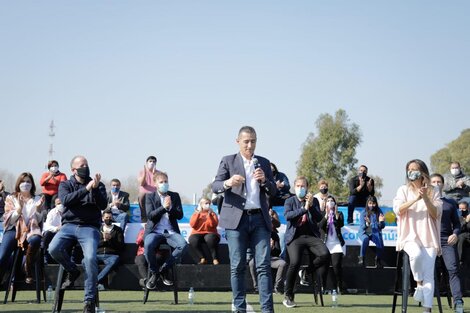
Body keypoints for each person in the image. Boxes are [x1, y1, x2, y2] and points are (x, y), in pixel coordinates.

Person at [212, 126, 277, 313]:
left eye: (253, 141)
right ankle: (239, 308)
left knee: (263, 266)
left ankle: (267, 310)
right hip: (236, 221)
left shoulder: (263, 162)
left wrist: (265, 180)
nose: (250, 145)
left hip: (259, 219)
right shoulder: (228, 161)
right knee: (237, 265)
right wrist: (228, 183)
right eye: (246, 141)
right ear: (238, 142)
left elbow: (273, 191)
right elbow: (215, 185)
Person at [48, 155, 107, 313]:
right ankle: (72, 269)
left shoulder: (97, 185)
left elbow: (103, 204)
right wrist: (86, 189)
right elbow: (66, 200)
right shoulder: (65, 184)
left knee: (89, 258)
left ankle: (88, 301)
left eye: (87, 164)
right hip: (69, 226)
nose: (85, 167)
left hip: (89, 228)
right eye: (82, 165)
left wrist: (94, 189)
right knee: (53, 248)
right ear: (73, 169)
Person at [393, 159, 442, 313]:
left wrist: (426, 198)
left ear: (422, 172)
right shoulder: (403, 190)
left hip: (429, 237)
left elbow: (436, 214)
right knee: (416, 255)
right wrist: (415, 199)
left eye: (415, 169)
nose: (411, 172)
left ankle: (427, 309)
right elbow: (398, 210)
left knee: (430, 276)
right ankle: (418, 283)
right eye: (409, 169)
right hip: (409, 236)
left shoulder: (433, 191)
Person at [282, 176, 330, 308]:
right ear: (294, 187)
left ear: (307, 188)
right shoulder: (290, 201)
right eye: (298, 186)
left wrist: (311, 206)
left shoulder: (313, 200)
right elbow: (288, 216)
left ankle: (306, 272)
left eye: (303, 186)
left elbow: (319, 218)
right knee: (295, 262)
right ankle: (288, 295)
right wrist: (304, 208)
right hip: (295, 237)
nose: (300, 188)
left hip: (310, 235)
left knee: (325, 254)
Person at [144, 171, 187, 290]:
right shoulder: (149, 196)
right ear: (156, 184)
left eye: (166, 181)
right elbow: (150, 215)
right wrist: (163, 208)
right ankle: (154, 272)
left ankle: (163, 269)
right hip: (155, 232)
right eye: (161, 182)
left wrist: (170, 208)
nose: (164, 184)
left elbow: (179, 215)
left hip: (171, 232)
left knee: (183, 245)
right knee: (148, 244)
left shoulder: (174, 196)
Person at [0, 172, 44, 284]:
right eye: (23, 181)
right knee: (3, 255)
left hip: (31, 230)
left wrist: (38, 210)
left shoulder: (37, 199)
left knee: (36, 239)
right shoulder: (11, 198)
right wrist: (19, 209)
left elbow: (39, 221)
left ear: (32, 184)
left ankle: (27, 269)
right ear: (18, 184)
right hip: (13, 230)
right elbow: (8, 220)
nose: (25, 184)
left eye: (28, 182)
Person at [430, 173, 464, 313]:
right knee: (428, 273)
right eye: (434, 181)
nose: (436, 184)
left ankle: (458, 302)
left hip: (446, 241)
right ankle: (427, 303)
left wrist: (455, 234)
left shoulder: (450, 203)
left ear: (443, 185)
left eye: (439, 182)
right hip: (429, 240)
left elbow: (457, 224)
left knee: (453, 270)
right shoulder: (425, 201)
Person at [318, 195, 345, 293]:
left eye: (332, 201)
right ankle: (323, 287)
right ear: (325, 203)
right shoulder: (321, 213)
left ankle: (339, 286)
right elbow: (320, 226)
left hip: (336, 243)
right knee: (323, 268)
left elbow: (341, 224)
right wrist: (326, 214)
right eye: (328, 201)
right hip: (325, 243)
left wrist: (336, 214)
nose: (330, 202)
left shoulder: (339, 214)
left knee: (336, 265)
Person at [248, 230, 287, 295]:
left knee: (282, 263)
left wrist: (272, 248)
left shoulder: (274, 235)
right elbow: (253, 249)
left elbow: (278, 252)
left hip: (272, 258)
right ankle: (257, 287)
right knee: (251, 263)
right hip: (260, 258)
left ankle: (277, 287)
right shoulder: (256, 234)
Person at [96, 209, 125, 290]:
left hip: (111, 255)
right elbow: (94, 244)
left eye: (110, 217)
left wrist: (111, 239)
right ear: (102, 218)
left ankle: (96, 280)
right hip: (98, 254)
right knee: (85, 261)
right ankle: (99, 282)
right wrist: (104, 240)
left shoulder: (118, 230)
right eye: (106, 217)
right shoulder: (98, 229)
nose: (108, 219)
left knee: (115, 260)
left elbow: (121, 246)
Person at [188, 197, 220, 265]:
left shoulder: (212, 214)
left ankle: (215, 258)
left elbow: (213, 225)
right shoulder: (195, 213)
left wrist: (210, 215)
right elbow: (192, 224)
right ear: (201, 204)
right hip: (197, 233)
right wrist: (198, 213)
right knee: (193, 240)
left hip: (210, 233)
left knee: (210, 239)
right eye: (206, 203)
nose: (207, 205)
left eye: (209, 203)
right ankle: (202, 258)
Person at [358, 195, 385, 267]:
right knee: (365, 239)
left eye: (373, 203)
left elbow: (382, 226)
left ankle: (378, 260)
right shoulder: (363, 212)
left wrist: (381, 222)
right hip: (364, 232)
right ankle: (361, 259)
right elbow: (362, 227)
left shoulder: (379, 211)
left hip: (374, 232)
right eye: (370, 203)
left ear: (376, 204)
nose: (372, 205)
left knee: (379, 240)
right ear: (367, 203)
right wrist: (368, 223)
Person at [42, 196, 64, 264]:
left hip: (66, 233)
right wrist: (56, 228)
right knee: (48, 234)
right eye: (58, 203)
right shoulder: (52, 212)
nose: (60, 205)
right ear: (55, 205)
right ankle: (45, 256)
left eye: (62, 203)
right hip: (55, 232)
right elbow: (47, 226)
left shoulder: (70, 211)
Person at [137, 156, 158, 223]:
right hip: (144, 194)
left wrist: (154, 174)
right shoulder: (141, 172)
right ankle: (144, 222)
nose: (152, 163)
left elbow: (158, 185)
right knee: (141, 195)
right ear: (147, 163)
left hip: (154, 194)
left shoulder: (158, 173)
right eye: (150, 161)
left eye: (154, 162)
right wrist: (145, 174)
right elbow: (142, 183)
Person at [457, 201, 470, 266]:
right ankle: (460, 260)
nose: (461, 210)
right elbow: (459, 229)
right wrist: (465, 221)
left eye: (463, 209)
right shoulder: (458, 218)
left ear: (467, 208)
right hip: (462, 237)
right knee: (461, 236)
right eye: (460, 209)